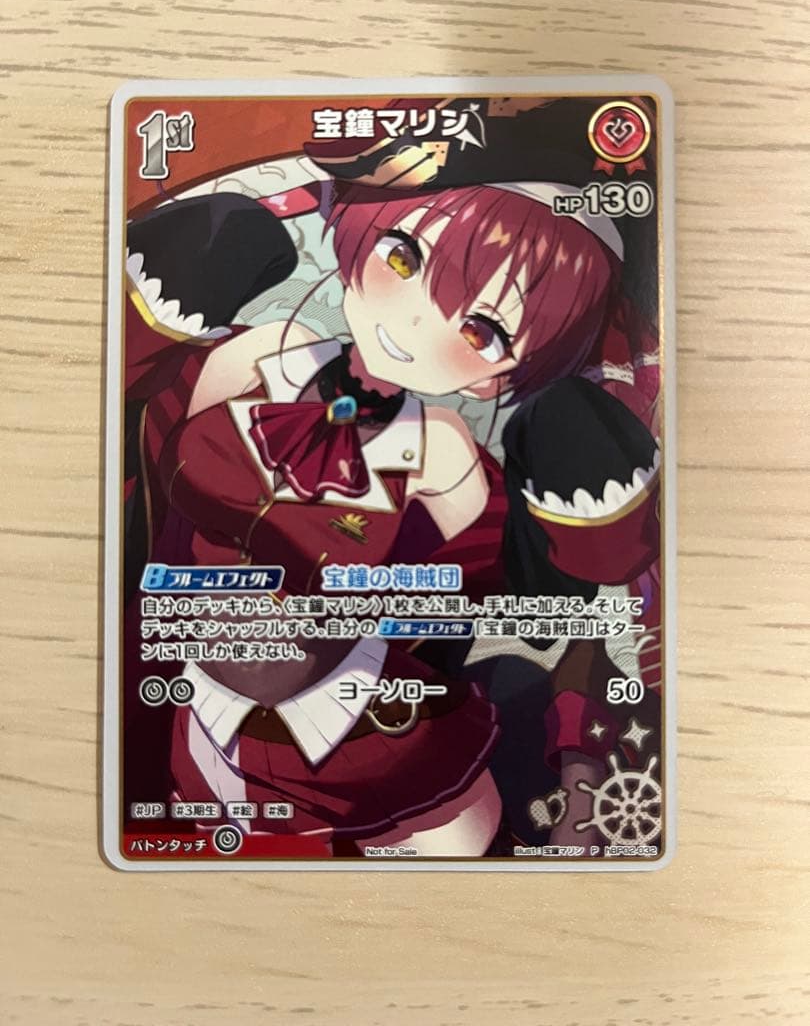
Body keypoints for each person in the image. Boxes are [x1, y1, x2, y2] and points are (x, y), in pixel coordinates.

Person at [122, 96, 661, 857]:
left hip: (344, 715)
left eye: (481, 329)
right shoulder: (258, 355)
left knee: (460, 837)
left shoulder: (442, 451)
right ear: (360, 229)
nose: (413, 322)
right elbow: (140, 437)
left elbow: (501, 600)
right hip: (182, 686)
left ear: (498, 376)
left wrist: (581, 506)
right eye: (404, 258)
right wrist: (164, 293)